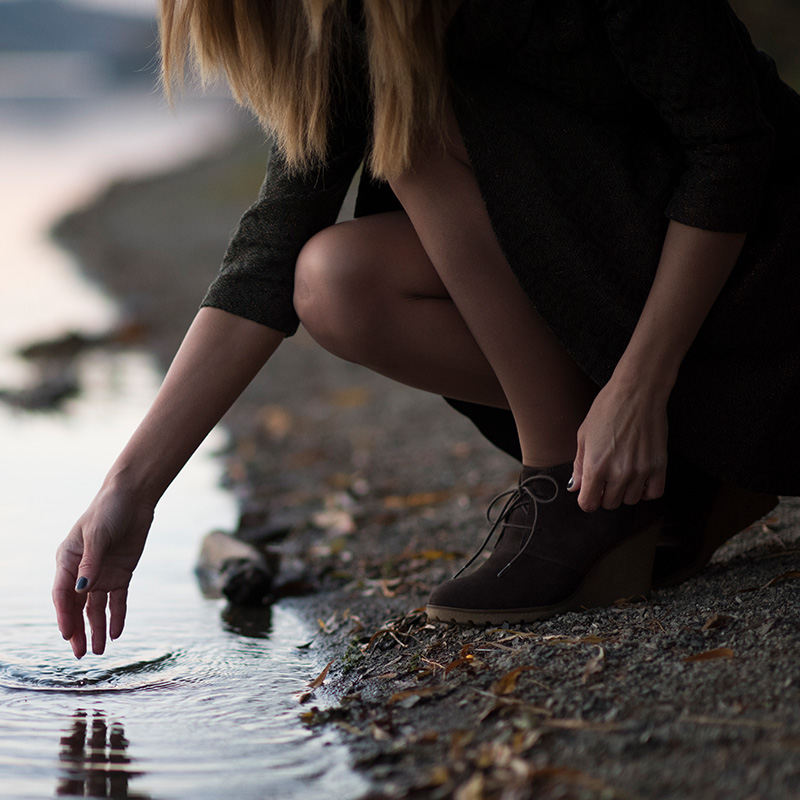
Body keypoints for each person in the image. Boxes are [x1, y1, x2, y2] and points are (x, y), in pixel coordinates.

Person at [53, 0, 800, 657]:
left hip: (764, 296)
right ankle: (660, 482)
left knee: (409, 113)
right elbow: (271, 249)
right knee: (335, 282)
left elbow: (731, 145)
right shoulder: (348, 18)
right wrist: (129, 490)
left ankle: (561, 486)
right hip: (633, 299)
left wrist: (641, 383)